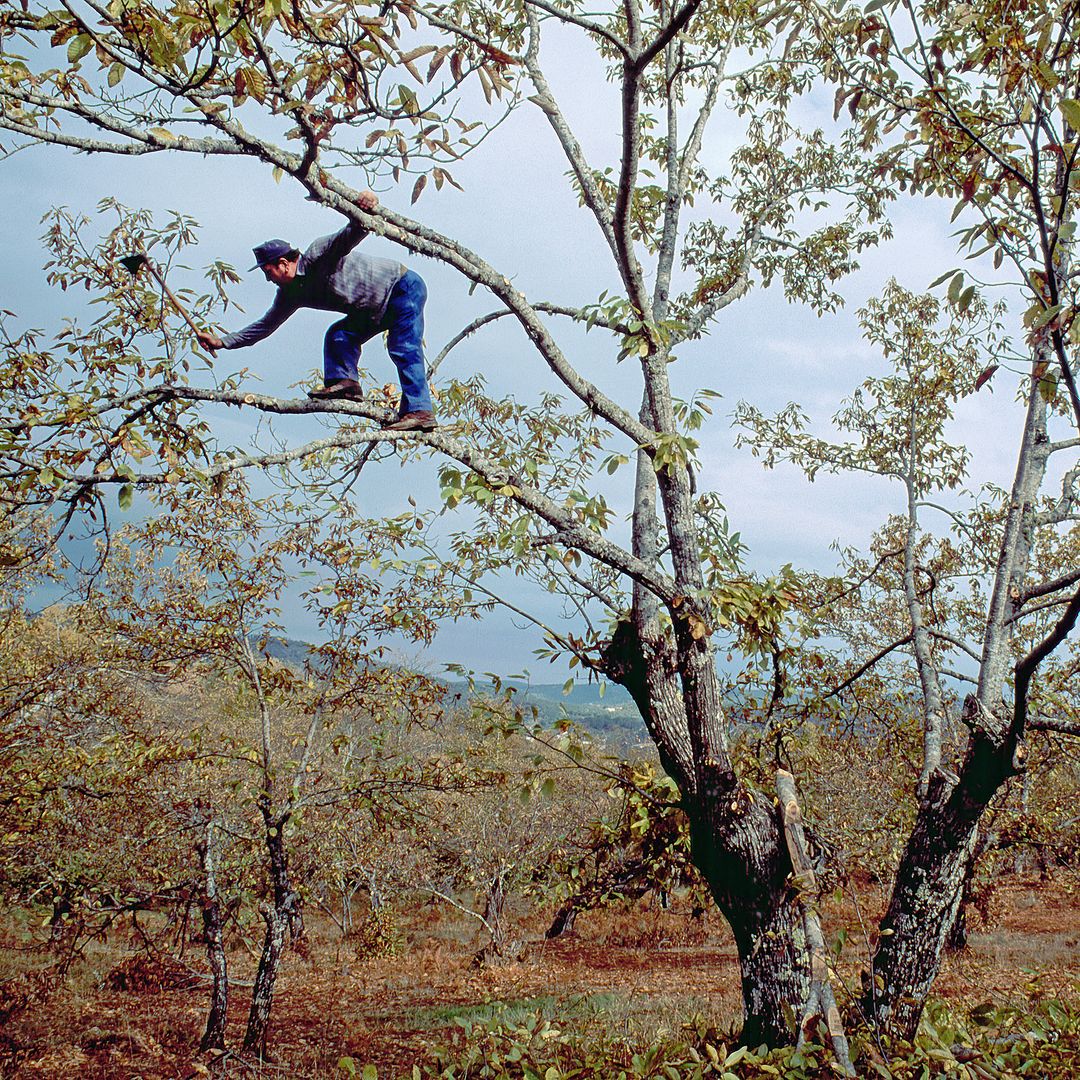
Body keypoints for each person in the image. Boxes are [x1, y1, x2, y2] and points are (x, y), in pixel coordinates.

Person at [196, 191, 436, 432]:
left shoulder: (318, 254)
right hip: (371, 309)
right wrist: (222, 342)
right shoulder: (290, 295)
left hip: (400, 287)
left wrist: (367, 204)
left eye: (268, 272)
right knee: (339, 336)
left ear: (283, 264)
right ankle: (346, 385)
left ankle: (420, 411)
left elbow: (354, 232)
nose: (268, 280)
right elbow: (264, 327)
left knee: (403, 347)